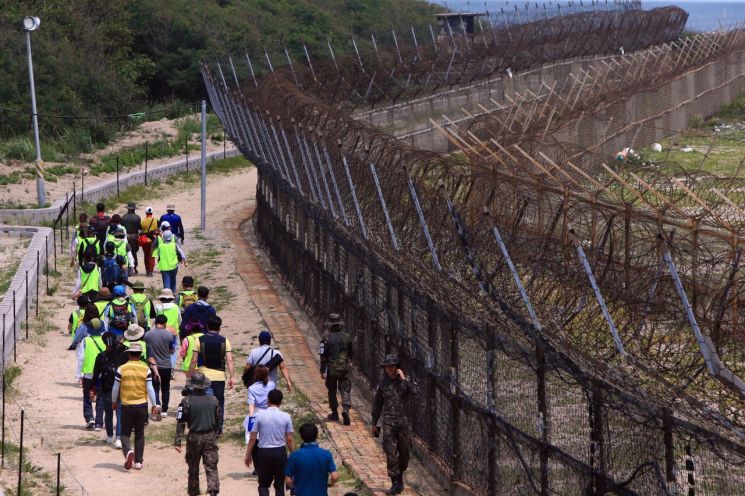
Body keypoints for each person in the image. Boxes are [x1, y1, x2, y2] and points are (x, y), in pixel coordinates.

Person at [371, 354, 420, 495]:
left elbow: (416, 391)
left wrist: (404, 379)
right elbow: (377, 404)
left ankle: (399, 476)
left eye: (392, 366)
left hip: (404, 424)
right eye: (387, 367)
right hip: (389, 423)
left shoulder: (406, 381)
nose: (390, 369)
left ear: (397, 367)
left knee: (404, 454)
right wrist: (374, 423)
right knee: (390, 453)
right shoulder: (383, 384)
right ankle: (396, 483)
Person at [112, 343, 158, 471]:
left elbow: (115, 388)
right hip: (142, 405)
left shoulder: (122, 369)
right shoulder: (146, 369)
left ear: (129, 354)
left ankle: (128, 452)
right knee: (139, 434)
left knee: (125, 434)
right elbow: (150, 388)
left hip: (126, 405)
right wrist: (154, 404)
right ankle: (138, 462)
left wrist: (114, 401)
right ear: (140, 354)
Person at [174, 372, 222, 496]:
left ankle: (194, 492)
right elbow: (219, 419)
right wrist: (215, 433)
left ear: (193, 385)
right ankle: (213, 491)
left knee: (193, 468)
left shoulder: (186, 401)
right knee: (211, 466)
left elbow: (180, 422)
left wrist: (178, 442)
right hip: (210, 436)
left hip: (194, 437)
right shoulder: (214, 400)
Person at [245, 389, 295, 496]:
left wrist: (248, 454)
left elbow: (253, 437)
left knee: (263, 484)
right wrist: (294, 454)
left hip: (263, 453)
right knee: (280, 485)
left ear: (268, 400)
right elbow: (289, 438)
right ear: (281, 402)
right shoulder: (286, 416)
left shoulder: (258, 416)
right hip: (280, 452)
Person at [190, 316, 234, 434]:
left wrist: (191, 374)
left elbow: (194, 360)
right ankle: (218, 428)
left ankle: (206, 426)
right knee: (219, 402)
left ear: (207, 326)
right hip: (219, 377)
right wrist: (231, 377)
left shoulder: (199, 340)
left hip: (204, 376)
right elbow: (229, 361)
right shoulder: (225, 341)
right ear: (219, 327)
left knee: (205, 401)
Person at [93, 330, 129, 445]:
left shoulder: (101, 357)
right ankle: (118, 438)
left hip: (107, 388)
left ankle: (109, 436)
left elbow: (95, 375)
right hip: (121, 388)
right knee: (119, 413)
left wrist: (92, 388)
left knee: (108, 413)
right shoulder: (124, 354)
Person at [285, 423, 339, 496]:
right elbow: (334, 476)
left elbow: (288, 479)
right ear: (316, 436)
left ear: (301, 436)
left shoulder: (294, 456)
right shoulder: (326, 454)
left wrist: (296, 487)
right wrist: (331, 484)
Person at [320, 313, 353, 425]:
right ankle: (346, 409)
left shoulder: (325, 339)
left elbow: (323, 356)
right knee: (345, 389)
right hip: (344, 368)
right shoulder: (347, 337)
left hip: (331, 369)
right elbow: (351, 353)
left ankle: (334, 413)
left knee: (332, 390)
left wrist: (322, 370)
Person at [145, 315, 177, 418]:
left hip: (153, 365)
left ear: (155, 322)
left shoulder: (148, 335)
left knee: (155, 387)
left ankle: (157, 404)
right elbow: (171, 351)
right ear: (165, 323)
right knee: (165, 388)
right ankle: (165, 410)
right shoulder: (169, 335)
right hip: (166, 364)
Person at [79, 318, 105, 430]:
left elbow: (81, 358)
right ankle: (99, 422)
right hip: (102, 373)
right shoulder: (105, 340)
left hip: (88, 372)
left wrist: (79, 374)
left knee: (87, 396)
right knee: (100, 397)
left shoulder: (85, 341)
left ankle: (90, 419)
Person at [245, 365, 275, 443]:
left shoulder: (252, 388)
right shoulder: (272, 385)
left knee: (251, 437)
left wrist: (250, 421)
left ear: (255, 375)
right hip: (270, 412)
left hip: (257, 413)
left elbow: (251, 405)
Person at [121, 202, 142, 275]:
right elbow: (140, 229)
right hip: (134, 237)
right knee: (134, 252)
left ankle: (128, 269)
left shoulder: (123, 217)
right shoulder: (137, 217)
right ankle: (135, 268)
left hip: (126, 237)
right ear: (134, 209)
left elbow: (121, 228)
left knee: (127, 253)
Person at [140, 207, 159, 277]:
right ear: (152, 213)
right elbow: (159, 229)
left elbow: (140, 231)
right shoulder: (156, 220)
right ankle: (150, 272)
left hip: (145, 240)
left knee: (146, 256)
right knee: (152, 257)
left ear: (146, 213)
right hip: (153, 240)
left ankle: (147, 270)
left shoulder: (142, 221)